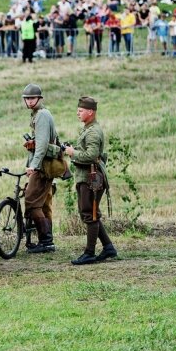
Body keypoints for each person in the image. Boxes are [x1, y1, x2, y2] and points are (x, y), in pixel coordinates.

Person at [63, 97, 117, 265]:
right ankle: (108, 247)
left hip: (91, 179)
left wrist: (73, 153)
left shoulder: (93, 131)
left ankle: (89, 253)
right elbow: (86, 151)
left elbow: (91, 155)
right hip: (87, 177)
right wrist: (73, 149)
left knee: (90, 214)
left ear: (90, 112)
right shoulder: (88, 129)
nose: (77, 113)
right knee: (90, 213)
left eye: (81, 110)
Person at [21, 84, 58, 253]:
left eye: (32, 98)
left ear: (39, 99)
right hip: (42, 165)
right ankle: (46, 241)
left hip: (42, 167)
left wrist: (34, 166)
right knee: (42, 204)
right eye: (27, 98)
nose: (29, 101)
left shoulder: (42, 115)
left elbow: (42, 146)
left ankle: (46, 241)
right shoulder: (38, 114)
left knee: (31, 201)